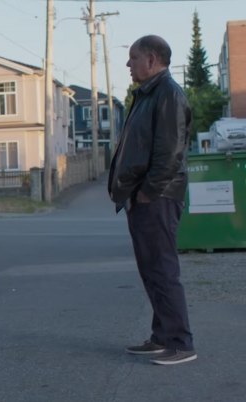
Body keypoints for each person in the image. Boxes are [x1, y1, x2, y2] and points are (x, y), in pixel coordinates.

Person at [108, 35, 195, 365]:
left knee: (162, 269)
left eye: (133, 58)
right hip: (145, 196)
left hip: (157, 197)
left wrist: (148, 192)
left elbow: (170, 152)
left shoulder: (167, 94)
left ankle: (180, 342)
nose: (128, 64)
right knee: (151, 270)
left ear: (152, 60)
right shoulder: (148, 94)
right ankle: (162, 336)